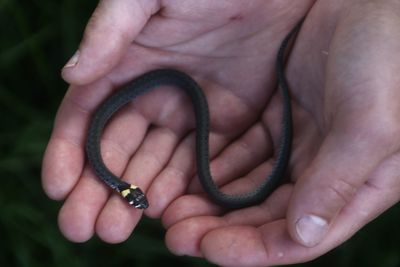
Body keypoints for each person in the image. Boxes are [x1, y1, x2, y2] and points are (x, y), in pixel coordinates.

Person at [41, 0, 400, 266]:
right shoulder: (112, 176)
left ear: (129, 190)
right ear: (126, 191)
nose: (139, 201)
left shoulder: (111, 173)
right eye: (137, 200)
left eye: (137, 198)